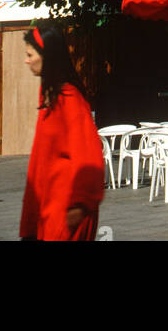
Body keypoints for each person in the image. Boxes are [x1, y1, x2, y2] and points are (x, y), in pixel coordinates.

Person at [20, 24, 104, 241]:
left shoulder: (70, 98)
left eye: (30, 55)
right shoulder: (48, 95)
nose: (26, 60)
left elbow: (89, 154)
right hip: (47, 208)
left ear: (46, 56)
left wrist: (80, 204)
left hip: (66, 212)